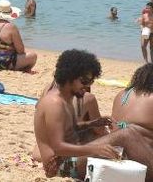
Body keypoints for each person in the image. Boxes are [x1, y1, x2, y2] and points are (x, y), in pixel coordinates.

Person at [33, 49, 153, 179]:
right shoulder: (54, 103)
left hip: (67, 162)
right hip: (60, 166)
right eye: (84, 81)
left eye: (90, 82)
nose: (88, 87)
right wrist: (96, 149)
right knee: (127, 134)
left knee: (121, 135)